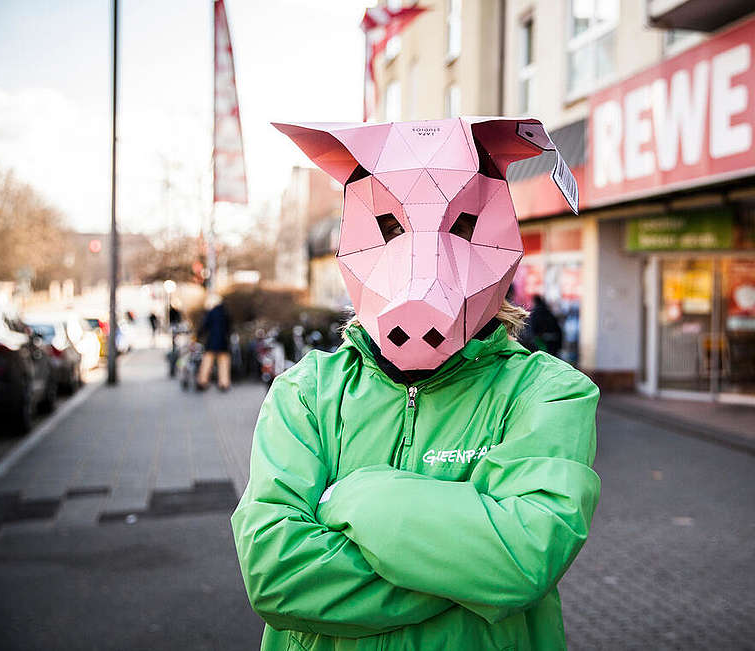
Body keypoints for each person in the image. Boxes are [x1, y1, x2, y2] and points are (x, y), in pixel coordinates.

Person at [231, 117, 598, 651]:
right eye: (390, 228)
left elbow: (522, 558)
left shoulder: (547, 392)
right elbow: (276, 574)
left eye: (465, 227)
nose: (423, 275)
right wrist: (462, 568)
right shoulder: (305, 393)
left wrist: (356, 497)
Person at [196, 294, 232, 391]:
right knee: (223, 363)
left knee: (207, 362)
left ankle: (202, 381)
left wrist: (197, 336)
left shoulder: (210, 313)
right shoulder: (225, 312)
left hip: (211, 342)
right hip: (223, 342)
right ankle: (224, 383)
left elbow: (204, 326)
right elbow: (229, 328)